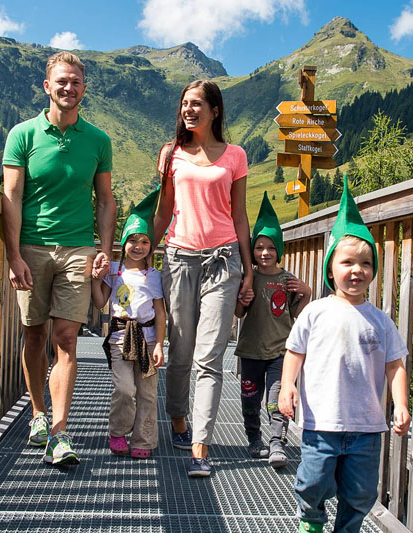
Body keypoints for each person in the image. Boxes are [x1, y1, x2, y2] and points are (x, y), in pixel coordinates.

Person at [278, 177, 411, 533]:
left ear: (373, 271)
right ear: (331, 269)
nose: (356, 270)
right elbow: (295, 350)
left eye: (365, 264)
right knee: (313, 480)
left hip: (366, 426)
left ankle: (347, 528)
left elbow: (395, 364)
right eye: (347, 262)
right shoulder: (315, 311)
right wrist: (286, 386)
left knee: (361, 492)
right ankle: (312, 517)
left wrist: (400, 404)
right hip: (322, 422)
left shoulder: (380, 320)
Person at [1, 51, 115, 466]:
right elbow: (10, 195)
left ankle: (59, 434)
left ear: (84, 88)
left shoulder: (98, 140)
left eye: (76, 82)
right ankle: (36, 413)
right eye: (61, 82)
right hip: (31, 247)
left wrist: (104, 251)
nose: (69, 88)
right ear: (47, 86)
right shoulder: (23, 135)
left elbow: (105, 200)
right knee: (34, 334)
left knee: (66, 339)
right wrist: (13, 255)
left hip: (78, 249)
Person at [153, 79, 254, 477]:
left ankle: (201, 449)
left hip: (223, 260)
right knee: (179, 350)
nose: (189, 110)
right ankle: (178, 420)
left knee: (209, 357)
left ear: (215, 111)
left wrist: (247, 270)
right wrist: (141, 256)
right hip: (178, 258)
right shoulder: (172, 155)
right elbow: (163, 212)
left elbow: (239, 216)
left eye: (197, 104)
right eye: (185, 103)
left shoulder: (235, 156)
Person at [234, 192, 310, 466]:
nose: (265, 253)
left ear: (279, 250)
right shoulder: (248, 278)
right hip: (251, 350)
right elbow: (239, 313)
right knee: (250, 399)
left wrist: (307, 293)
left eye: (271, 248)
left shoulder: (288, 280)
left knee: (278, 398)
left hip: (280, 352)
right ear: (252, 250)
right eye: (259, 248)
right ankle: (254, 438)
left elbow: (295, 316)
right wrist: (243, 300)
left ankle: (278, 442)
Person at [92, 188, 166, 459]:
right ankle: (117, 431)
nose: (138, 246)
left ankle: (143, 440)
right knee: (124, 388)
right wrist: (95, 279)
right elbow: (100, 302)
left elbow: (160, 313)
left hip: (146, 339)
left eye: (144, 241)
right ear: (123, 243)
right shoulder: (114, 271)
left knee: (147, 392)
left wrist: (159, 343)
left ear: (152, 246)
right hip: (119, 337)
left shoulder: (154, 276)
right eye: (132, 240)